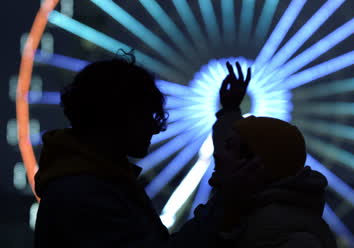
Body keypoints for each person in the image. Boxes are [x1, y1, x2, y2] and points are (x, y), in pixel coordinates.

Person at [34, 53, 258, 248]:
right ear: (116, 117)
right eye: (146, 116)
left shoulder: (87, 181)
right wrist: (225, 203)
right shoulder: (86, 193)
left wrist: (229, 113)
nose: (155, 128)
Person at [211, 62, 337, 248]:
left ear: (254, 165)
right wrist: (228, 111)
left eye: (229, 148)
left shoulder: (289, 238)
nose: (218, 155)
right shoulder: (255, 213)